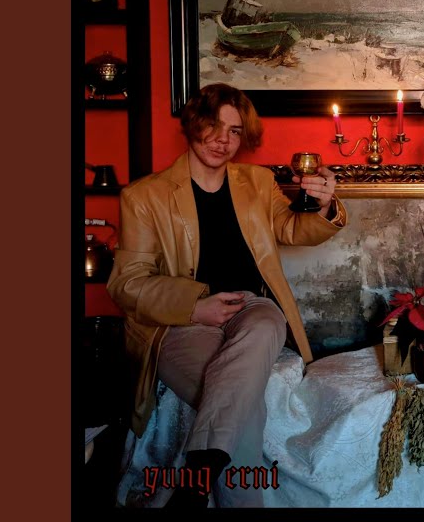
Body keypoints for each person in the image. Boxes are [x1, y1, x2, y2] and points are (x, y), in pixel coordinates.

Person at [106, 83, 347, 508]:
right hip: (182, 321)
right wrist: (194, 307)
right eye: (214, 127)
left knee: (269, 319)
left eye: (234, 131)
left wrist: (325, 206)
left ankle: (195, 479)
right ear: (192, 125)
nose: (223, 140)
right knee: (241, 405)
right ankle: (201, 483)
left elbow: (293, 229)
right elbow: (126, 283)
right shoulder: (144, 196)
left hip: (252, 308)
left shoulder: (257, 181)